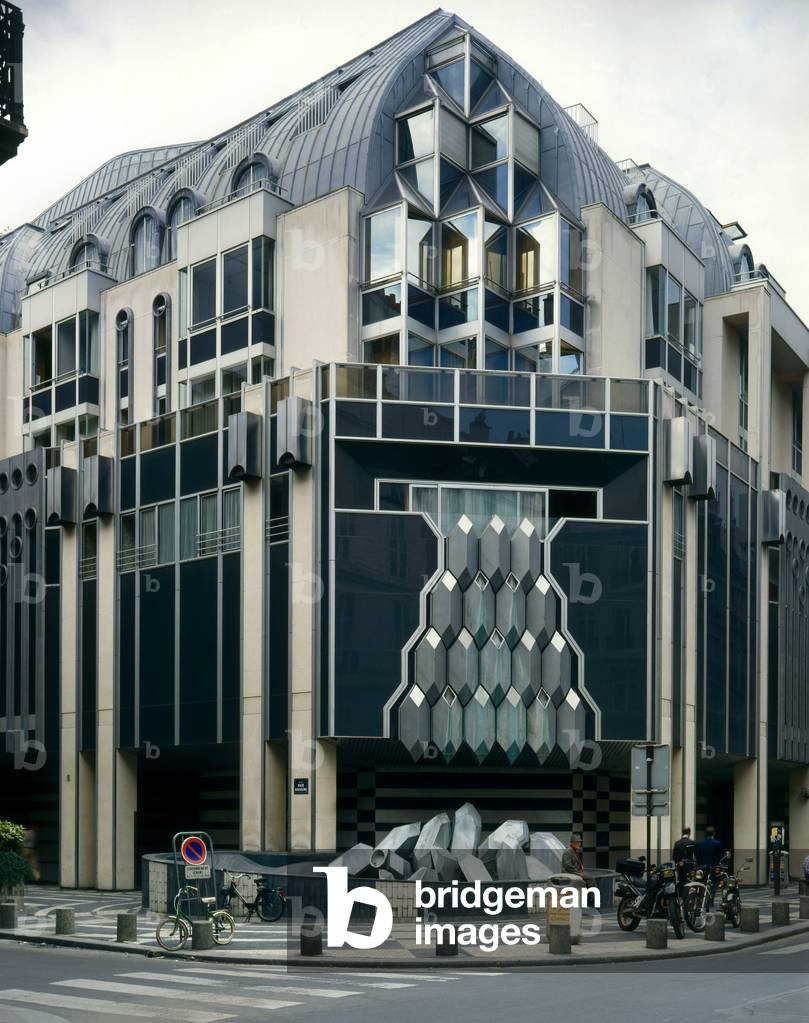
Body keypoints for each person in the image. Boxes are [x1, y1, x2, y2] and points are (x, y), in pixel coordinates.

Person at [673, 827, 697, 895]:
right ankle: (688, 894)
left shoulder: (677, 843)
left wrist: (678, 862)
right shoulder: (692, 842)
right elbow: (696, 855)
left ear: (682, 833)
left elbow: (674, 856)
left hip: (680, 865)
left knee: (681, 880)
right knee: (690, 880)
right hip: (689, 865)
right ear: (689, 833)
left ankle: (681, 894)